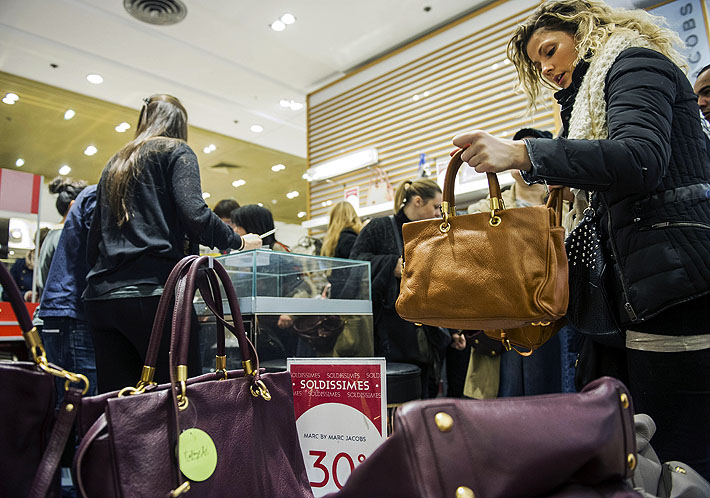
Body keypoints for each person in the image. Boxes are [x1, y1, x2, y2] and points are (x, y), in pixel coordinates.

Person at [452, 0, 710, 479]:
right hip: (635, 293)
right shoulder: (590, 100)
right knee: (636, 449)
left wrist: (525, 153)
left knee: (677, 452)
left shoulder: (636, 63)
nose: (547, 69)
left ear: (586, 31)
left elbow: (640, 159)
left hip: (671, 286)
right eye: (537, 64)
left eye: (550, 50)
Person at [84, 94, 262, 393]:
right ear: (180, 123)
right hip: (157, 295)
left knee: (119, 402)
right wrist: (239, 241)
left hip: (103, 298)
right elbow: (195, 214)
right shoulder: (176, 150)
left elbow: (94, 238)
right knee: (178, 396)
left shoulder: (116, 162)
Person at [464, 127, 564, 398]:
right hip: (502, 314)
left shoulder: (564, 205)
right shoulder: (483, 209)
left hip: (553, 314)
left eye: (532, 152)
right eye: (518, 150)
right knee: (506, 397)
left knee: (551, 393)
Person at [350, 177, 464, 397]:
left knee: (425, 392)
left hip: (426, 334)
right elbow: (355, 264)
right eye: (435, 207)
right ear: (418, 201)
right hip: (387, 337)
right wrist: (391, 265)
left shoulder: (432, 234)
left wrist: (453, 329)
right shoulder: (379, 228)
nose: (438, 213)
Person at [38, 185, 98, 402]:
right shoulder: (93, 198)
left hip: (56, 312)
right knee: (75, 402)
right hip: (69, 312)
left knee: (65, 400)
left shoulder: (53, 235)